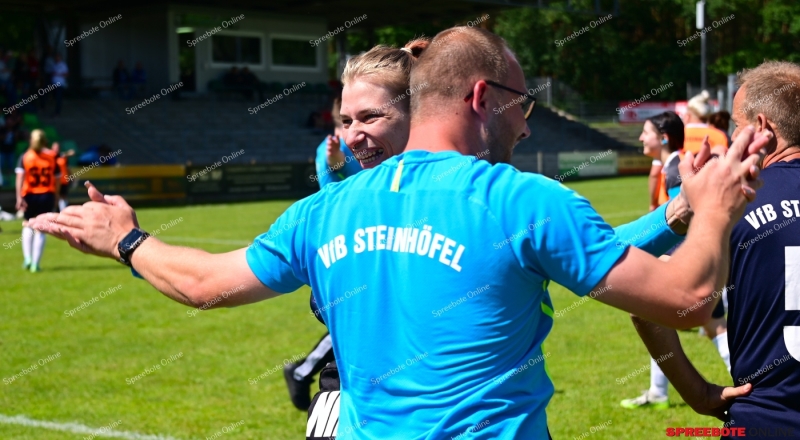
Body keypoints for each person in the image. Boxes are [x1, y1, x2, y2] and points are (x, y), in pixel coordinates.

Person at [30, 27, 767, 439]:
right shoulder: (521, 198)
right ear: (483, 97)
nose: (525, 120)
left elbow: (204, 285)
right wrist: (712, 208)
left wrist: (127, 240)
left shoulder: (328, 210)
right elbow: (687, 298)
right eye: (520, 104)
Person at [632, 60, 800, 439]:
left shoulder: (734, 202)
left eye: (736, 127)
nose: (730, 136)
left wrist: (698, 393)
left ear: (762, 129)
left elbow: (649, 309)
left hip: (764, 420)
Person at [620, 111, 732, 410]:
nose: (642, 138)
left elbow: (687, 219)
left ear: (664, 137)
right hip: (694, 261)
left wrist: (679, 263)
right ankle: (658, 392)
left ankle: (756, 387)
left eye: (646, 132)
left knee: (714, 327)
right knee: (673, 322)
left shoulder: (674, 171)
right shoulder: (673, 166)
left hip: (688, 264)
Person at [283, 96, 362, 411]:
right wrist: (335, 163)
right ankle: (302, 371)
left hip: (365, 243)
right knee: (351, 315)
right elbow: (331, 192)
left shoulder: (367, 149)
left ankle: (302, 372)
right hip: (344, 246)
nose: (355, 130)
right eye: (348, 122)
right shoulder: (330, 149)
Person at [16, 129, 59, 272]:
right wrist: (56, 198)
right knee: (41, 229)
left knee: (28, 225)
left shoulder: (25, 156)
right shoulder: (52, 156)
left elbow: (20, 178)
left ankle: (27, 258)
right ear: (44, 141)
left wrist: (18, 197)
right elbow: (57, 180)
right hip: (46, 195)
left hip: (29, 195)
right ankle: (35, 263)